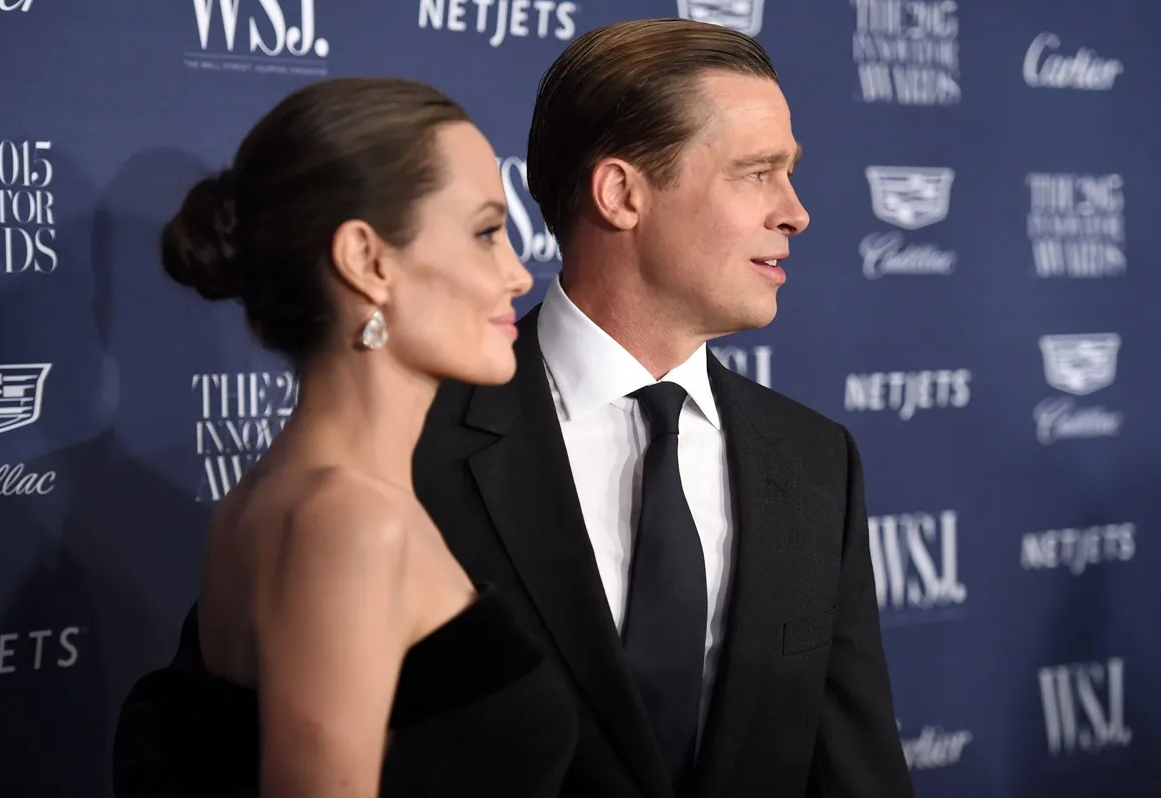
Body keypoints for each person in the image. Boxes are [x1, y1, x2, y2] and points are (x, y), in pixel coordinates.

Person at [115, 17, 915, 798]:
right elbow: (200, 752)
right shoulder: (389, 469)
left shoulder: (815, 463)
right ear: (621, 193)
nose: (796, 211)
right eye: (756, 172)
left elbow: (855, 767)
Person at [111, 77, 577, 797]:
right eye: (486, 232)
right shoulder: (349, 523)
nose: (518, 273)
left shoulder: (284, 499)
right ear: (367, 260)